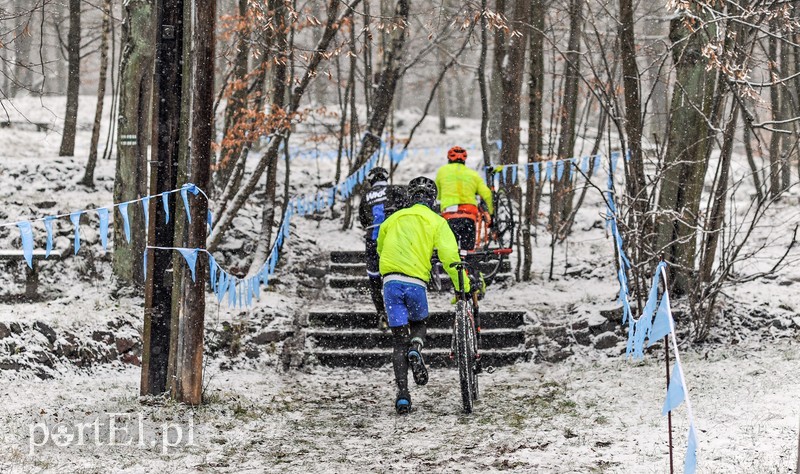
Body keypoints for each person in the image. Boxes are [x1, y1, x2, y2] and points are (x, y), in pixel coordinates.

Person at [377, 176, 469, 414]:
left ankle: (403, 396)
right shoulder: (437, 221)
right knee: (419, 324)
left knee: (398, 340)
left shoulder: (393, 218)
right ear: (432, 200)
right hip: (415, 282)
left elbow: (379, 246)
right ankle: (417, 347)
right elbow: (451, 259)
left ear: (411, 197)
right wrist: (464, 286)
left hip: (390, 281)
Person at [358, 166, 407, 330]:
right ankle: (403, 312)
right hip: (393, 237)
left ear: (371, 180)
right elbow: (405, 211)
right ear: (385, 178)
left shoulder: (365, 197)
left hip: (372, 238)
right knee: (401, 273)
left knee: (374, 279)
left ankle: (381, 313)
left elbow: (363, 220)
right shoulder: (394, 190)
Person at [435, 146, 494, 253]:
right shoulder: (473, 174)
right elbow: (487, 194)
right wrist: (491, 214)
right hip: (468, 216)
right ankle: (467, 267)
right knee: (467, 252)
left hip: (450, 216)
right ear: (464, 160)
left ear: (449, 159)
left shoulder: (442, 171)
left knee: (450, 251)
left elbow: (438, 195)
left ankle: (452, 268)